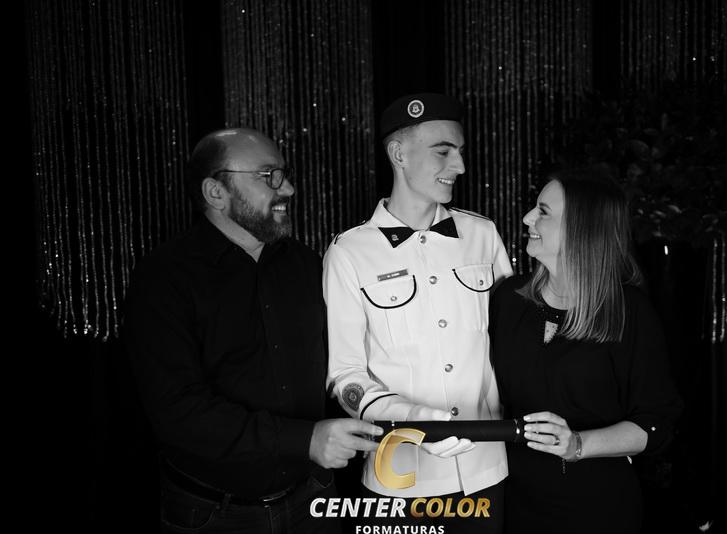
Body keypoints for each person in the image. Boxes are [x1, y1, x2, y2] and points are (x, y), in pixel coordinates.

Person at [124, 128, 383, 534]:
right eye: (269, 177)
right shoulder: (164, 279)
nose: (289, 189)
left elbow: (343, 363)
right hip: (215, 513)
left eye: (284, 174)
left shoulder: (307, 264)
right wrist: (305, 440)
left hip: (313, 496)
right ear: (216, 192)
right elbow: (178, 412)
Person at [323, 93, 512, 532]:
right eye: (443, 152)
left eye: (460, 151)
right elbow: (346, 377)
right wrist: (414, 420)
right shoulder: (349, 252)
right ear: (399, 154)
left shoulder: (483, 235)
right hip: (399, 479)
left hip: (486, 471)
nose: (459, 165)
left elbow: (513, 344)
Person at [489, 167, 683, 533]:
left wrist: (577, 444)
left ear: (582, 229)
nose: (528, 218)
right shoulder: (508, 299)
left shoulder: (628, 311)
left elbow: (656, 423)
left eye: (543, 211)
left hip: (596, 507)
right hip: (512, 502)